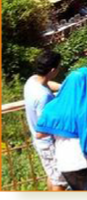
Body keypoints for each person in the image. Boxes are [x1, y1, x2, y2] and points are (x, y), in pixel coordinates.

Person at [36, 67, 87, 191]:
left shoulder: (51, 107)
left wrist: (61, 129)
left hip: (65, 161)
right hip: (86, 159)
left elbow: (39, 134)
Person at [23, 51, 66, 191]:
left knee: (52, 175)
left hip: (40, 142)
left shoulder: (32, 81)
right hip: (48, 144)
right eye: (58, 67)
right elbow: (45, 125)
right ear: (53, 70)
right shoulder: (43, 97)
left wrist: (64, 88)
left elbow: (47, 83)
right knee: (59, 182)